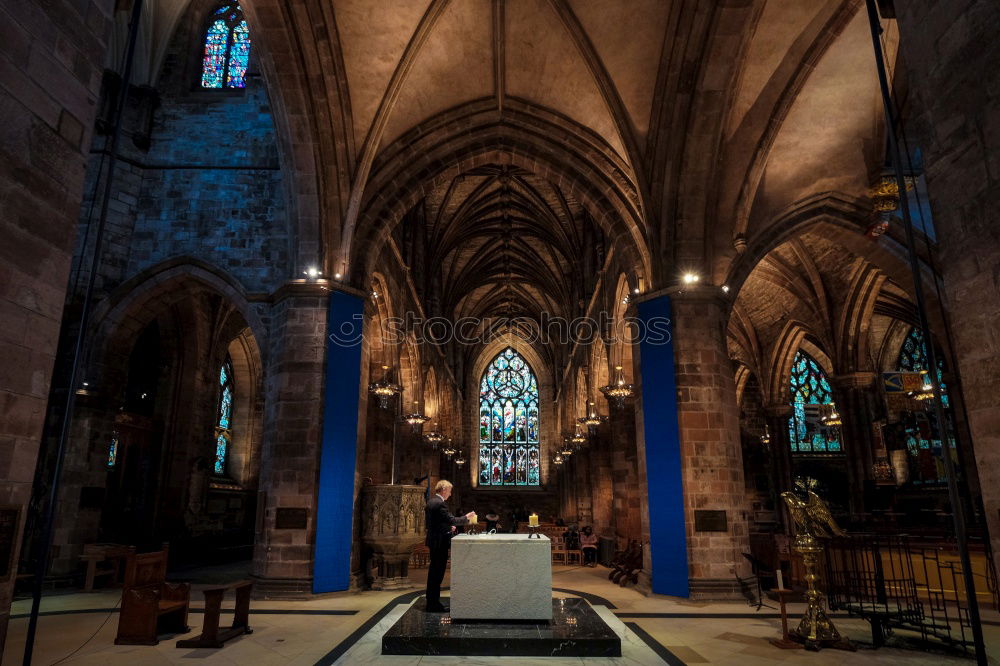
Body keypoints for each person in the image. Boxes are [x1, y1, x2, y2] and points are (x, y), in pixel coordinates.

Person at [425, 480, 475, 612]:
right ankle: (433, 604)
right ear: (443, 489)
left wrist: (447, 527)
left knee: (434, 573)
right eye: (449, 491)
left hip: (435, 540)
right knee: (437, 574)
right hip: (439, 542)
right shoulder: (440, 504)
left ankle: (432, 601)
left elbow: (436, 523)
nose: (450, 494)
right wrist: (466, 517)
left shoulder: (432, 501)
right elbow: (451, 519)